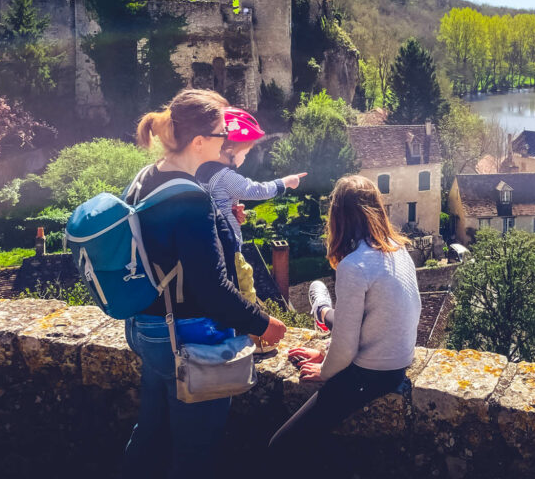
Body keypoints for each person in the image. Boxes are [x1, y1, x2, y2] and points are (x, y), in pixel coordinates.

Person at [123, 88, 287, 477]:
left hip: (146, 325)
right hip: (186, 335)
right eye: (220, 133)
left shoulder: (147, 177)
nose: (226, 139)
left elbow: (163, 246)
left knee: (150, 432)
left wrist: (221, 225)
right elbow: (212, 289)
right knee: (195, 450)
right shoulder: (191, 198)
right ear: (199, 142)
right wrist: (263, 324)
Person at [268, 175, 422, 478]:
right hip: (398, 363)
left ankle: (321, 308)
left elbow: (348, 348)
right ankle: (322, 309)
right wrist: (327, 351)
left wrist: (326, 370)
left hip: (370, 374)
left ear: (336, 215)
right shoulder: (397, 249)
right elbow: (376, 321)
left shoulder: (356, 265)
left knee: (280, 447)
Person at [194, 106, 307, 247]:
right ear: (230, 150)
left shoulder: (199, 171)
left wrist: (229, 211)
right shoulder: (225, 176)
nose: (245, 158)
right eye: (245, 153)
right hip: (228, 249)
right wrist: (285, 182)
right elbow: (256, 190)